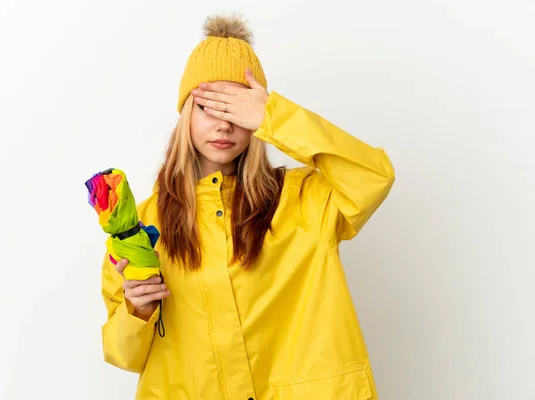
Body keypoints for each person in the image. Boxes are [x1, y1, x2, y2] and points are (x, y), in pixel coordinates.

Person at [100, 13, 395, 400]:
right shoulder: (140, 226)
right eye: (209, 106)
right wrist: (136, 312)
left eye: (236, 108)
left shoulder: (304, 199)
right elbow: (123, 355)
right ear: (186, 114)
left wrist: (275, 116)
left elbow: (374, 176)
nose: (223, 125)